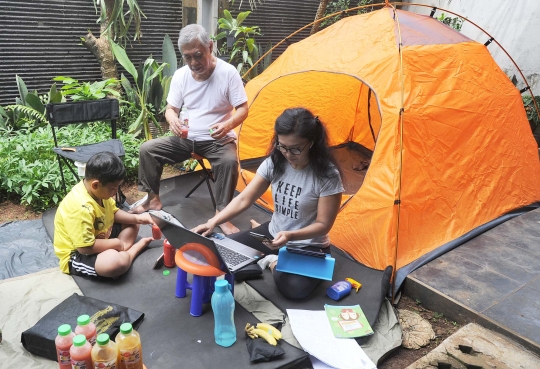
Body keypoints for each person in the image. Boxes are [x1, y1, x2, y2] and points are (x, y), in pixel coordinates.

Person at [193, 108, 344, 299]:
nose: (288, 154)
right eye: (282, 146)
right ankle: (270, 256)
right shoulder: (275, 161)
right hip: (272, 235)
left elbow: (323, 225)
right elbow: (244, 198)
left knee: (294, 289)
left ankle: (270, 260)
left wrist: (290, 235)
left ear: (312, 144)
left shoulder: (327, 176)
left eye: (296, 148)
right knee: (220, 253)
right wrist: (213, 221)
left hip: (308, 244)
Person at [130, 24, 249, 235]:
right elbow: (170, 109)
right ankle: (153, 200)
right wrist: (173, 119)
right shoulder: (180, 76)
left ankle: (222, 214)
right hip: (187, 138)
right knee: (148, 149)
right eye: (187, 57)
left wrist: (228, 125)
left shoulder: (228, 73)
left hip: (217, 140)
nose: (193, 63)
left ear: (210, 47)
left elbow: (242, 109)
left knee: (229, 161)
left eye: (198, 55)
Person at [53, 152, 155, 279]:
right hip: (78, 253)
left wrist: (138, 218)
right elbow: (85, 248)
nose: (115, 192)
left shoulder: (98, 192)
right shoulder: (80, 208)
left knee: (133, 223)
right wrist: (117, 243)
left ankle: (120, 252)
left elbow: (113, 212)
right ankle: (131, 252)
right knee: (115, 264)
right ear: (95, 185)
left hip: (102, 235)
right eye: (113, 189)